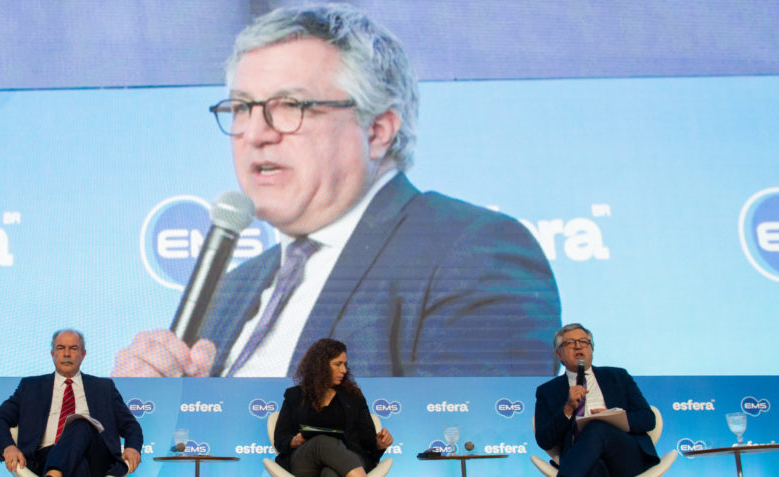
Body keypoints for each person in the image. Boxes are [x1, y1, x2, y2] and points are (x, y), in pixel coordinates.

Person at [112, 3, 560, 378]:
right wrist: (144, 416)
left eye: (290, 105)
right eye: (241, 107)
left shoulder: (476, 253)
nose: (254, 132)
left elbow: (473, 451)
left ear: (378, 130)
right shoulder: (231, 290)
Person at [0, 329, 142, 477]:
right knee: (79, 465)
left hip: (96, 456)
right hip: (43, 457)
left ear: (83, 354)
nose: (67, 354)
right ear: (52, 354)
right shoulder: (31, 387)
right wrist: (8, 447)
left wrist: (132, 447)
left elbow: (131, 426)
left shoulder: (104, 387)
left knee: (81, 422)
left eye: (73, 348)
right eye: (61, 348)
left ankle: (54, 474)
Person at [534, 323, 660, 477]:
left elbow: (647, 419)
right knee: (594, 467)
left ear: (592, 349)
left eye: (584, 342)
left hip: (625, 455)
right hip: (580, 458)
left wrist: (614, 416)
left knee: (597, 427)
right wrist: (567, 409)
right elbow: (544, 440)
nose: (578, 347)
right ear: (559, 354)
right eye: (570, 343)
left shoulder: (618, 377)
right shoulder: (547, 391)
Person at [274, 338, 392, 477]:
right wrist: (294, 441)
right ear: (320, 366)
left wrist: (378, 444)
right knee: (321, 442)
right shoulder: (294, 396)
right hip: (305, 461)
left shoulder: (353, 397)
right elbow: (280, 439)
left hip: (347, 458)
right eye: (338, 364)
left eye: (345, 364)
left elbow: (367, 441)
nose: (343, 370)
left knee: (330, 473)